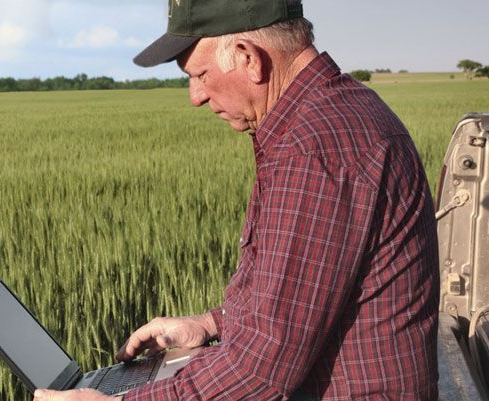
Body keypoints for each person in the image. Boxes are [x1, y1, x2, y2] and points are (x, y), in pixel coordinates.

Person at [34, 1, 439, 400]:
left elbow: (261, 370)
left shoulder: (315, 151)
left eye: (200, 75)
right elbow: (296, 300)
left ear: (248, 57)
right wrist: (211, 323)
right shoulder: (327, 117)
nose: (195, 97)